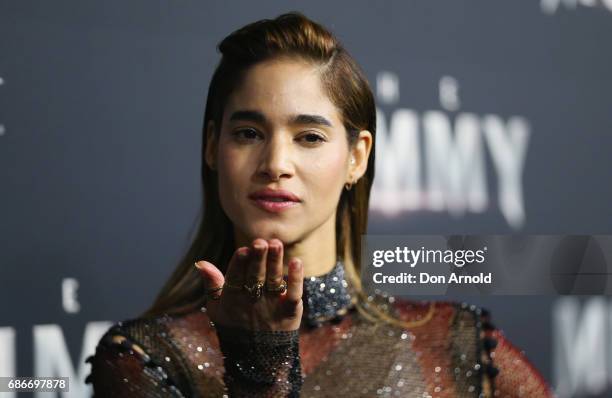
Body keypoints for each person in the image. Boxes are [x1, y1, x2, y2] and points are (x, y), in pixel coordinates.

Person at [85, 11, 553, 397]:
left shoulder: (452, 341)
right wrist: (257, 364)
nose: (276, 163)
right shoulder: (147, 357)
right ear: (212, 146)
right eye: (248, 133)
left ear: (356, 157)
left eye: (309, 137)